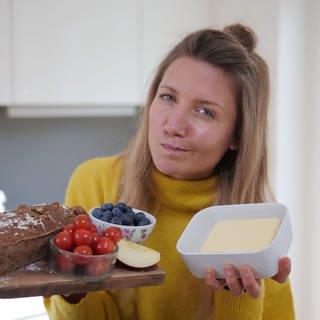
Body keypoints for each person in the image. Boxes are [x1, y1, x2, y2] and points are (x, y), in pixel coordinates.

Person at [44, 23, 295, 319]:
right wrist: (75, 288)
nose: (173, 126)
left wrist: (238, 300)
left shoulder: (255, 232)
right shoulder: (95, 182)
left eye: (205, 111)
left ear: (238, 135)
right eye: (168, 97)